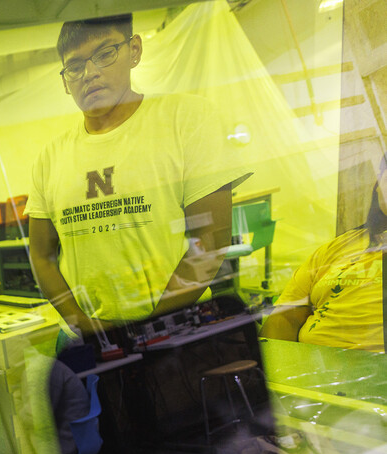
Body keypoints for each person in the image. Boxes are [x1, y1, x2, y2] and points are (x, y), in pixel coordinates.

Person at [28, 14, 247, 331]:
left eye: (105, 54)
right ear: (64, 81)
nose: (90, 73)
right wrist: (83, 324)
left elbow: (210, 240)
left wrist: (153, 327)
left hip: (179, 329)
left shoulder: (186, 119)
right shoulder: (49, 158)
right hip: (90, 341)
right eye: (75, 66)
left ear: (134, 50)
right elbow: (41, 257)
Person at [261, 158, 385, 352]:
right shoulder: (340, 246)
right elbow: (287, 316)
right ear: (378, 185)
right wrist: (271, 371)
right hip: (310, 371)